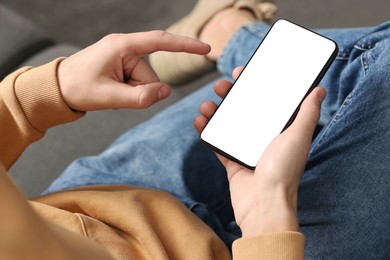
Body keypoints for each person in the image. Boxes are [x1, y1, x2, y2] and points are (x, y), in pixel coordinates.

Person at [1, 1, 389, 260]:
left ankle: (233, 39)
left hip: (107, 205)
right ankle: (235, 37)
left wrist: (42, 93)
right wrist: (267, 220)